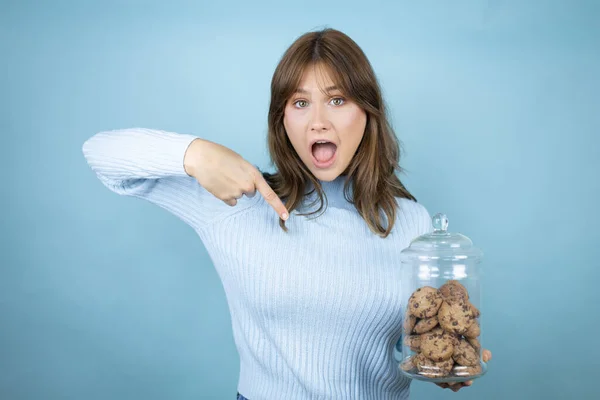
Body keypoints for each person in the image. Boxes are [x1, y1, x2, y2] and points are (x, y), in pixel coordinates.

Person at [82, 28, 491, 399]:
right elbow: (100, 154)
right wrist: (196, 153)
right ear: (282, 119)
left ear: (366, 113)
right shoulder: (239, 200)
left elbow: (408, 337)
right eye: (300, 102)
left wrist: (443, 362)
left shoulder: (410, 221)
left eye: (337, 100)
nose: (318, 122)